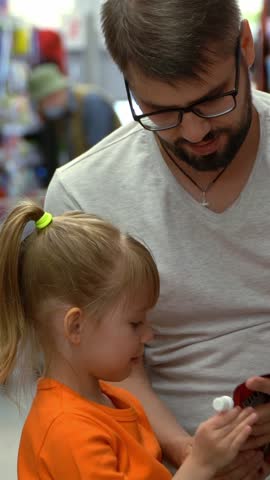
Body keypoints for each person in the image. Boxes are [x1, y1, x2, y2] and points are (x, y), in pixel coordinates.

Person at [45, 1, 270, 478]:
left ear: (246, 47)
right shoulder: (83, 194)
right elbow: (96, 369)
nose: (195, 131)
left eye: (214, 100)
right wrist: (187, 454)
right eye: (160, 110)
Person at [0, 201, 258, 479]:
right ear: (76, 326)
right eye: (135, 323)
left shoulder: (117, 400)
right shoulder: (67, 431)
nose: (149, 334)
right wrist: (201, 464)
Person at [26, 63, 121, 185]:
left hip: (108, 180)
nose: (44, 107)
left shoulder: (92, 103)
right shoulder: (63, 115)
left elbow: (98, 156)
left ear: (56, 92)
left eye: (45, 101)